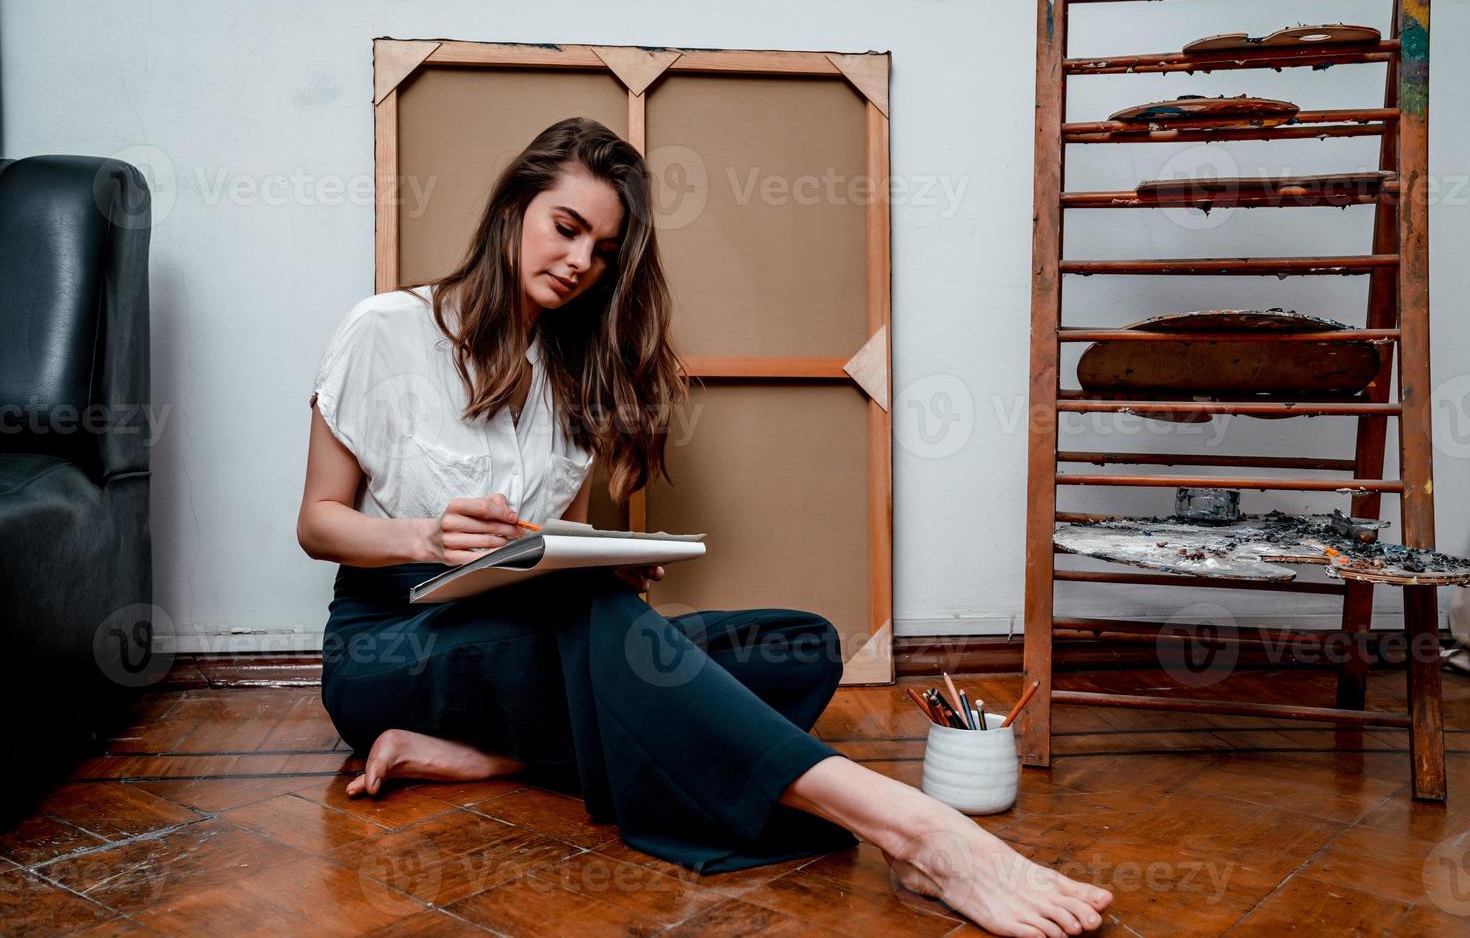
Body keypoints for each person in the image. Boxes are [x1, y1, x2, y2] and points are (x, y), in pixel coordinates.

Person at [297, 117, 1112, 937]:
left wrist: (592, 562)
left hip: (518, 637)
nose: (581, 263)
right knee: (607, 631)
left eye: (604, 251)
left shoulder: (578, 371)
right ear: (514, 209)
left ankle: (491, 757)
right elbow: (317, 523)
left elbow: (547, 547)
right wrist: (422, 538)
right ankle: (915, 831)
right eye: (567, 228)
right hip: (392, 645)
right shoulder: (386, 328)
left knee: (803, 645)